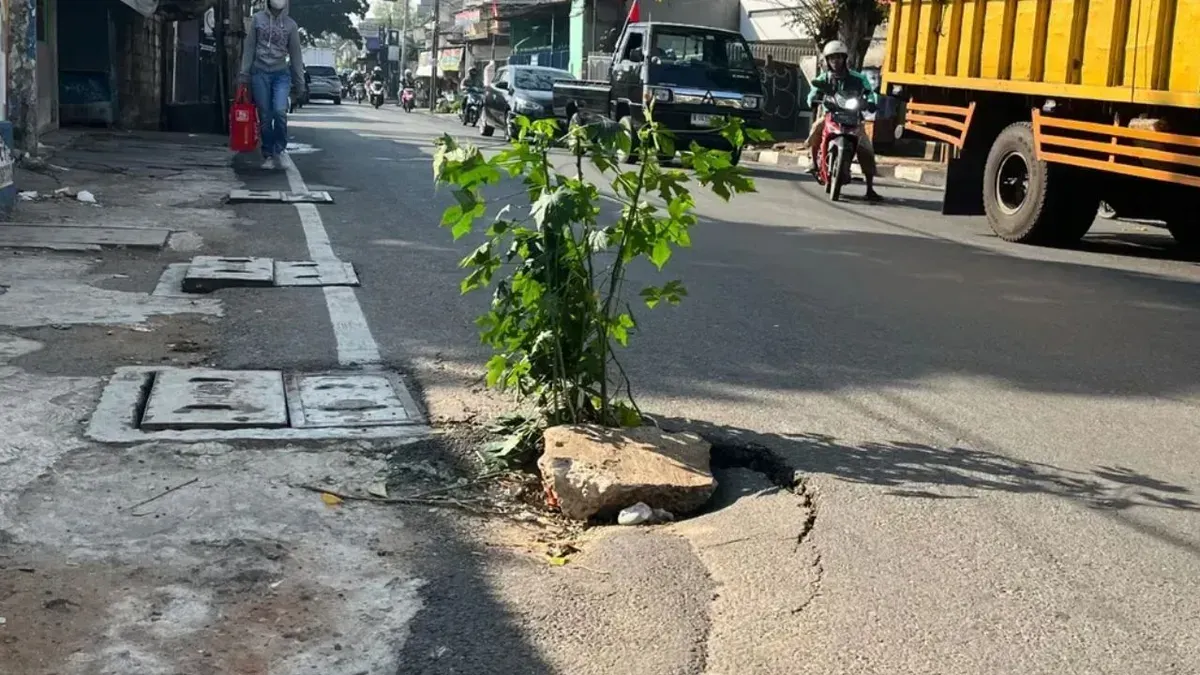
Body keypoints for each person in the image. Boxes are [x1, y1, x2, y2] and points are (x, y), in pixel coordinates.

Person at [805, 40, 882, 202]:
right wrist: (812, 99)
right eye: (832, 58)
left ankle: (870, 187)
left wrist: (871, 102)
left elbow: (869, 92)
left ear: (844, 59)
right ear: (827, 61)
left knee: (866, 149)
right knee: (815, 130)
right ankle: (813, 162)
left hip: (853, 118)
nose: (836, 61)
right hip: (831, 116)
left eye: (839, 58)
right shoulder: (824, 78)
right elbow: (814, 91)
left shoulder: (858, 78)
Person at [239, 0, 305, 170]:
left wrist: (300, 83)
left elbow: (296, 56)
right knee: (265, 116)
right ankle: (268, 153)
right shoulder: (257, 20)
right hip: (259, 73)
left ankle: (280, 149)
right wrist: (244, 74)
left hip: (281, 74)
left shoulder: (291, 25)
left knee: (279, 111)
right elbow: (249, 48)